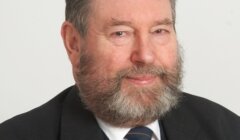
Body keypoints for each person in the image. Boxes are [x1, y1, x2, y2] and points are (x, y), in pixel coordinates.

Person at [0, 0, 239, 139]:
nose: (145, 55)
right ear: (74, 43)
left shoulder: (228, 130)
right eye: (120, 33)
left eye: (159, 31)